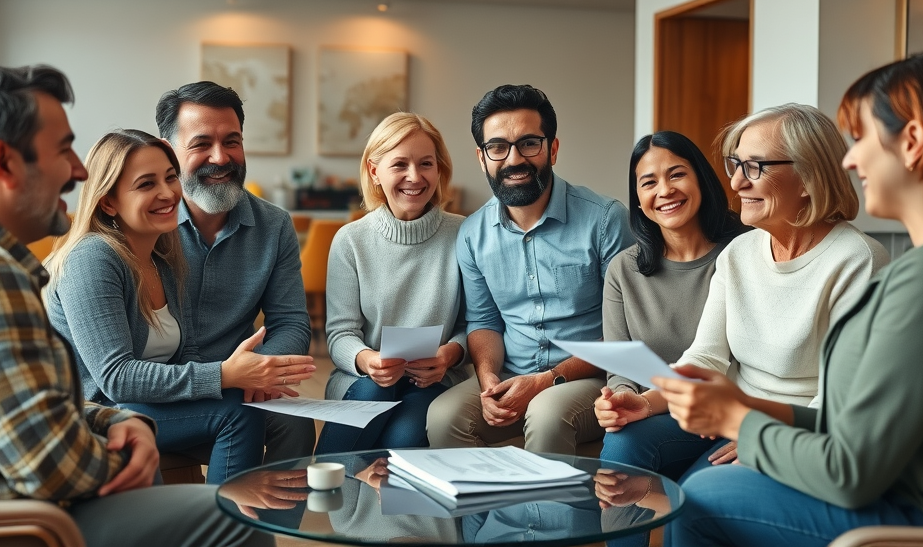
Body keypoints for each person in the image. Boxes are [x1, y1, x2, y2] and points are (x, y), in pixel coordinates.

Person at [0, 64, 269, 547]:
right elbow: (49, 464)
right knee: (234, 518)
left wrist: (120, 422)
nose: (78, 170)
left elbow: (34, 412)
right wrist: (129, 448)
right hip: (8, 521)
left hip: (25, 493)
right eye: (63, 149)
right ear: (4, 163)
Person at [659, 49, 923, 547]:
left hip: (917, 514)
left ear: (911, 143)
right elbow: (850, 426)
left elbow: (850, 470)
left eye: (861, 138)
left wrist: (738, 419)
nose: (849, 158)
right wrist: (740, 403)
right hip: (894, 485)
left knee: (701, 497)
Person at [595, 103, 889, 489]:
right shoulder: (739, 253)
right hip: (730, 415)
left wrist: (760, 433)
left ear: (807, 178)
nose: (735, 184)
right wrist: (647, 402)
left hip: (800, 432)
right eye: (736, 165)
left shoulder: (858, 261)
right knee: (625, 443)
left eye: (755, 167)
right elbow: (706, 357)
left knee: (697, 499)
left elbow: (840, 400)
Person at [44, 129, 303, 483]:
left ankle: (241, 527)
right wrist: (226, 375)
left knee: (266, 414)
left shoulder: (162, 257)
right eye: (146, 184)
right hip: (96, 411)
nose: (167, 194)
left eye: (170, 178)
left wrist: (241, 376)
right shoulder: (93, 257)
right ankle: (224, 528)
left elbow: (188, 350)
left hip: (148, 403)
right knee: (238, 414)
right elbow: (116, 378)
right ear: (108, 201)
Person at [427, 84, 635, 454]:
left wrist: (545, 381)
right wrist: (488, 377)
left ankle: (549, 512)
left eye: (529, 143)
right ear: (482, 157)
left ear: (552, 149)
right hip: (509, 372)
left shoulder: (605, 220)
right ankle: (482, 511)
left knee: (546, 413)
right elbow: (484, 321)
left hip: (591, 376)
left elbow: (626, 331)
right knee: (444, 417)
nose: (513, 160)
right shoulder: (473, 233)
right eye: (498, 147)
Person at [593, 131, 745, 547]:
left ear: (702, 181)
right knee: (622, 438)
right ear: (638, 198)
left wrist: (754, 423)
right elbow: (619, 366)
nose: (665, 191)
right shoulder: (624, 269)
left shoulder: (744, 253)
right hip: (657, 417)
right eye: (648, 183)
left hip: (726, 414)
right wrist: (616, 400)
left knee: (692, 508)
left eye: (677, 175)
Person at [155, 81, 316, 463]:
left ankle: (270, 524)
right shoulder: (147, 222)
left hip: (240, 383)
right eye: (200, 144)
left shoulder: (274, 225)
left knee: (296, 423)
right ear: (168, 152)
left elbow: (292, 322)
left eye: (232, 141)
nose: (221, 157)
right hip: (159, 388)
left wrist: (263, 370)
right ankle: (224, 522)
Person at [314, 113, 470, 454]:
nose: (414, 177)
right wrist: (366, 359)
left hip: (433, 380)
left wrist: (448, 355)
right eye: (399, 164)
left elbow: (473, 326)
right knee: (374, 393)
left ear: (439, 169)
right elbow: (341, 334)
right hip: (364, 379)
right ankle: (332, 497)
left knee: (401, 440)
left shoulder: (465, 235)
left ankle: (366, 502)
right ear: (374, 171)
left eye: (426, 163)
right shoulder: (351, 241)